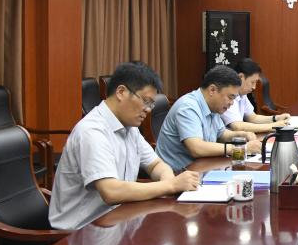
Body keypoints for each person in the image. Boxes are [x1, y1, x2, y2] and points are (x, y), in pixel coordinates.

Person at [49, 62, 201, 230]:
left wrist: (168, 179)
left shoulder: (130, 128)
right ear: (121, 92)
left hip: (118, 220)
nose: (148, 110)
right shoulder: (92, 132)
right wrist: (171, 186)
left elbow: (156, 164)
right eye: (146, 101)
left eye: (151, 104)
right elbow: (111, 192)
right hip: (82, 231)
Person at [155, 65, 263, 172]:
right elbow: (196, 148)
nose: (231, 103)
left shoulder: (213, 106)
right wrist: (241, 149)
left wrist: (242, 135)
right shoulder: (188, 107)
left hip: (202, 168)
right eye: (230, 97)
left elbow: (221, 134)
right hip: (176, 175)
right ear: (212, 90)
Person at [222, 58, 291, 134]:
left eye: (255, 82)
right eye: (252, 82)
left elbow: (252, 117)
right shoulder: (227, 95)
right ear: (241, 77)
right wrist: (273, 126)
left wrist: (276, 118)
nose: (254, 87)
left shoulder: (242, 94)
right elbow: (237, 126)